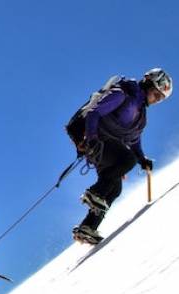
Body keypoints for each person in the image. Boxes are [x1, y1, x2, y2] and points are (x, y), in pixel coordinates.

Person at [73, 68, 173, 244]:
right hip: (97, 140)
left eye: (160, 99)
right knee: (127, 160)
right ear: (149, 83)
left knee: (115, 188)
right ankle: (95, 192)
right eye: (156, 94)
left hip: (106, 146)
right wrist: (92, 138)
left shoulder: (141, 115)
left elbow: (134, 141)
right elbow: (94, 112)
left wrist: (142, 159)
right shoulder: (124, 94)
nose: (156, 100)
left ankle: (88, 227)